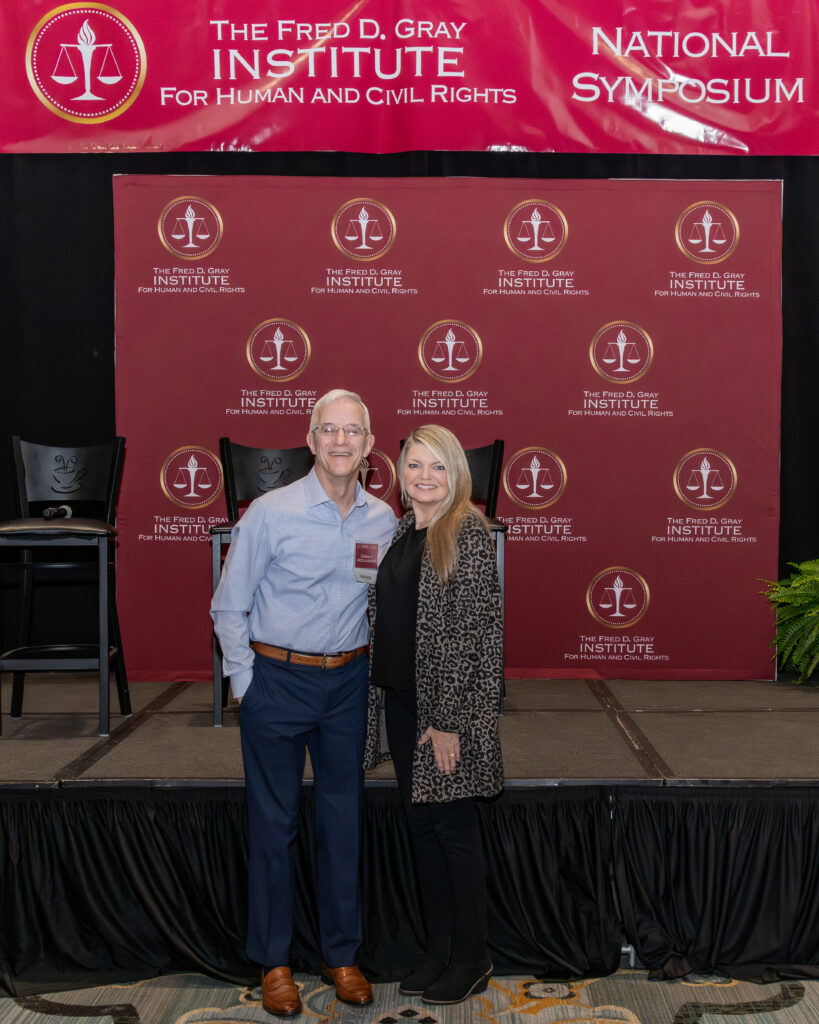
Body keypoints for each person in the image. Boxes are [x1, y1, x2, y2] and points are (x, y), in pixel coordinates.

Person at [211, 389, 396, 1018]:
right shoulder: (270, 512)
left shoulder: (382, 521)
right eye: (329, 430)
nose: (342, 442)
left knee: (342, 822)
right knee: (274, 823)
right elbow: (227, 605)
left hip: (347, 685)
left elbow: (379, 605)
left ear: (371, 447)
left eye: (354, 431)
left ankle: (341, 955)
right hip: (277, 682)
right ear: (310, 440)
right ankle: (275, 961)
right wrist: (246, 686)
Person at [365, 424, 504, 1006]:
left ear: (457, 475)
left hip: (445, 712)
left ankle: (473, 957)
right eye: (415, 465)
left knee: (454, 834)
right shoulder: (404, 528)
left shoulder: (466, 532)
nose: (424, 477)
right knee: (422, 831)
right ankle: (437, 947)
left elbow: (471, 636)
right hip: (402, 703)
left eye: (438, 467)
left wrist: (447, 720)